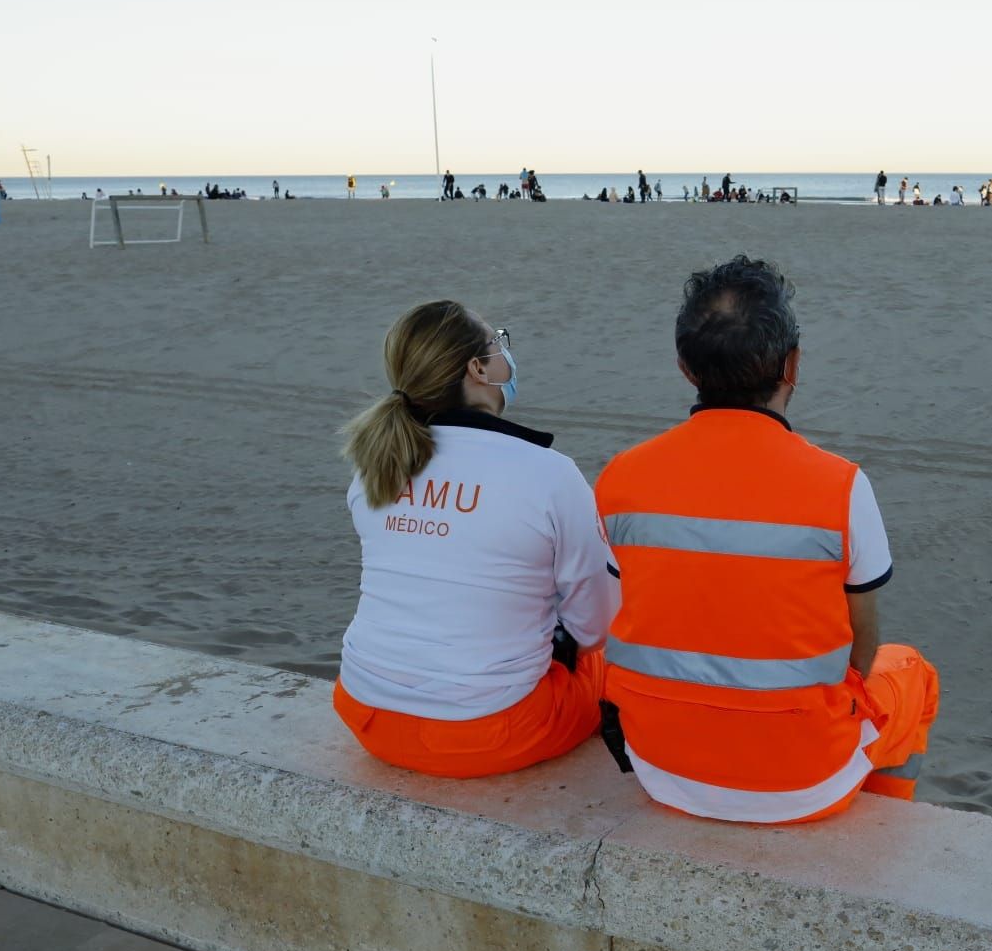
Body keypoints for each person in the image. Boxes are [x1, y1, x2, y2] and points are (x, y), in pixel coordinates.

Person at [595, 256, 940, 824]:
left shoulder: (621, 476)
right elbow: (863, 642)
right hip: (803, 780)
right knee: (913, 672)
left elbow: (621, 611)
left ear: (686, 369)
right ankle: (884, 822)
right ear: (793, 365)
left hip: (661, 768)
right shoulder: (841, 485)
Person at [334, 302, 619, 778]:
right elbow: (597, 627)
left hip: (365, 714)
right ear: (478, 369)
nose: (507, 353)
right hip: (488, 730)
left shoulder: (375, 467)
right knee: (612, 654)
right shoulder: (548, 473)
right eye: (498, 343)